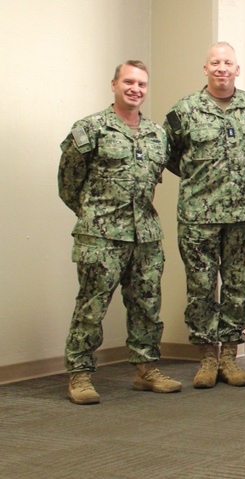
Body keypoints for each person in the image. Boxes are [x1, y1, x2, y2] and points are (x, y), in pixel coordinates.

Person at [59, 60, 180, 404]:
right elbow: (68, 183)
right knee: (91, 307)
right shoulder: (90, 128)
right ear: (114, 84)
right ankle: (80, 374)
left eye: (142, 84)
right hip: (101, 236)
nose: (135, 89)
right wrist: (93, 216)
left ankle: (146, 370)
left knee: (147, 304)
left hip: (145, 235)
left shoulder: (157, 135)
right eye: (128, 82)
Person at [164, 42, 245, 389]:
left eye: (228, 62)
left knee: (238, 288)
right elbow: (170, 154)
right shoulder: (185, 110)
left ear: (237, 69)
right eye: (215, 62)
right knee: (201, 289)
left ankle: (229, 356)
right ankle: (207, 358)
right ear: (205, 68)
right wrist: (201, 178)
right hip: (198, 215)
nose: (222, 68)